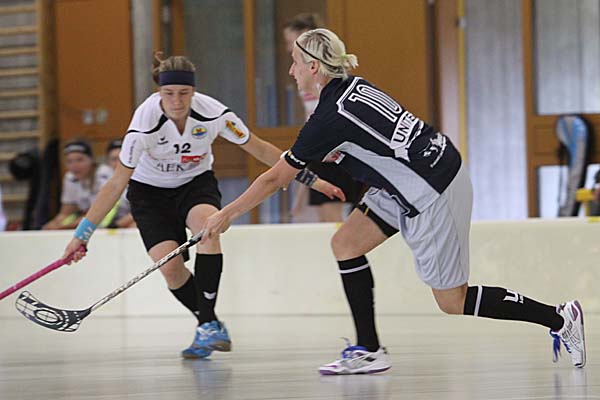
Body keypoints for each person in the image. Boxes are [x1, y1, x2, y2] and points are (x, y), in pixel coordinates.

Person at [201, 28, 586, 374]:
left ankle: (559, 318)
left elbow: (274, 179)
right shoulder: (354, 86)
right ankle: (369, 350)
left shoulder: (327, 119)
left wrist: (226, 215)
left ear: (314, 67)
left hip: (432, 191)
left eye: (295, 62)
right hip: (415, 176)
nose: (291, 70)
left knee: (452, 301)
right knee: (346, 243)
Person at [60, 53, 343, 359]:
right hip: (149, 194)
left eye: (184, 93)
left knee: (209, 229)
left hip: (195, 185)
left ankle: (207, 326)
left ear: (193, 91)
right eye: (169, 93)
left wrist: (312, 180)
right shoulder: (143, 125)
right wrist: (82, 235)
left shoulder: (214, 114)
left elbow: (260, 149)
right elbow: (116, 184)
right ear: (159, 92)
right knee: (171, 269)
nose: (177, 101)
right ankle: (208, 322)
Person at [283, 13, 363, 223]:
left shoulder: (327, 77)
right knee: (327, 218)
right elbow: (311, 118)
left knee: (341, 217)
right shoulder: (303, 77)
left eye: (291, 41)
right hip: (322, 153)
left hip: (339, 150)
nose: (289, 48)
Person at [42, 139, 113, 230]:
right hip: (88, 221)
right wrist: (51, 225)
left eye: (80, 160)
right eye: (69, 161)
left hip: (115, 220)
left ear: (91, 159)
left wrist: (62, 227)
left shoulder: (104, 174)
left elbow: (99, 214)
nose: (74, 166)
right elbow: (66, 212)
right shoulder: (70, 178)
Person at [99, 139, 136, 228]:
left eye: (121, 158)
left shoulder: (141, 178)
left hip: (128, 222)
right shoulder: (102, 177)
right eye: (114, 159)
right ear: (108, 162)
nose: (118, 163)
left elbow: (144, 210)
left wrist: (117, 224)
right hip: (107, 225)